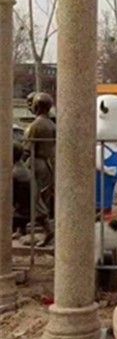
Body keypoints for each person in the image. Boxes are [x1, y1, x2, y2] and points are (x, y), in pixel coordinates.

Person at [24, 92, 55, 246]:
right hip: (47, 164)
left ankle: (47, 230)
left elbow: (28, 148)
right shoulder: (52, 124)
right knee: (41, 198)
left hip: (35, 163)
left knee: (34, 198)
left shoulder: (35, 125)